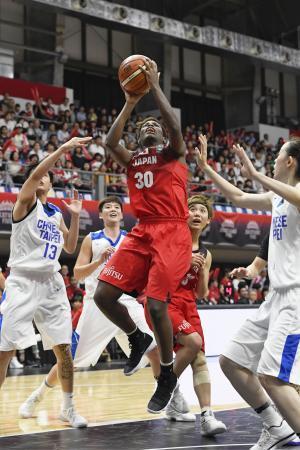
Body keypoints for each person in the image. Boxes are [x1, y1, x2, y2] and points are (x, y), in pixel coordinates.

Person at [19, 196, 192, 420]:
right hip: (98, 305)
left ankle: (173, 402)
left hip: (127, 303)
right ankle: (37, 397)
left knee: (155, 351)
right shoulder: (92, 239)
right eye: (107, 207)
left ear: (121, 215)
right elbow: (77, 274)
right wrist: (100, 261)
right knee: (72, 360)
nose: (112, 209)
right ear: (100, 215)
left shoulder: (133, 239)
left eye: (116, 207)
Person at [94, 58, 192, 413]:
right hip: (143, 231)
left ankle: (167, 374)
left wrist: (154, 88)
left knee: (154, 304)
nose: (150, 125)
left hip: (172, 231)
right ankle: (138, 338)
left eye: (155, 124)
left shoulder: (173, 154)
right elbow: (109, 141)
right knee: (103, 296)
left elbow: (175, 127)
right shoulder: (133, 159)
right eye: (144, 124)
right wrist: (132, 101)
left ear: (163, 134)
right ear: (138, 137)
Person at [197, 134, 300, 449]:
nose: (274, 161)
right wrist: (206, 168)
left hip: (295, 299)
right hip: (274, 299)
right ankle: (275, 426)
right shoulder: (277, 199)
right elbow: (239, 196)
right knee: (230, 361)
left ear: (290, 161)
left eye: (278, 156)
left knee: (274, 379)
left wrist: (256, 174)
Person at [0, 136, 91, 428]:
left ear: (51, 185)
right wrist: (63, 149)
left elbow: (70, 247)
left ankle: (68, 407)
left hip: (51, 282)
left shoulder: (55, 214)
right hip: (23, 281)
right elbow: (37, 173)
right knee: (5, 350)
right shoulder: (25, 204)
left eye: (47, 178)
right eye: (39, 176)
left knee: (64, 348)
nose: (42, 179)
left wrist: (75, 217)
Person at [144, 194, 227, 435]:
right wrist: (183, 262)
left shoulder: (206, 254)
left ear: (208, 220)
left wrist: (201, 273)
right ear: (184, 214)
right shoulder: (169, 241)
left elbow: (201, 293)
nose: (197, 213)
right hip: (165, 300)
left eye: (202, 210)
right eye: (192, 209)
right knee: (194, 342)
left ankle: (207, 416)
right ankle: (166, 386)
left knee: (199, 358)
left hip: (189, 305)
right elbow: (158, 276)